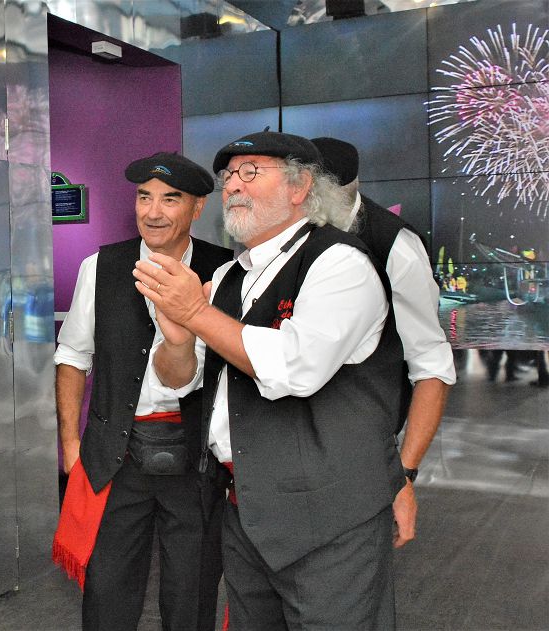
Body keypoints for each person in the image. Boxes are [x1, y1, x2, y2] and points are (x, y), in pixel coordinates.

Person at [134, 131, 406, 628]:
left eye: (251, 172)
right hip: (245, 510)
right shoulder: (229, 277)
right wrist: (177, 340)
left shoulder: (339, 263)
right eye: (228, 175)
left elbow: (295, 369)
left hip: (329, 516)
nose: (233, 186)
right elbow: (179, 382)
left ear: (300, 187)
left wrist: (195, 313)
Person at [52, 152, 232, 630]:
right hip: (118, 455)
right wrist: (70, 442)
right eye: (144, 197)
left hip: (197, 459)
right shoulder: (101, 266)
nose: (153, 212)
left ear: (197, 207)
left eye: (170, 199)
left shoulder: (226, 271)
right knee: (107, 591)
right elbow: (72, 357)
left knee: (191, 593)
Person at [311, 136, 456, 546]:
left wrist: (403, 475)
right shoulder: (290, 236)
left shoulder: (396, 246)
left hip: (362, 449)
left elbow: (430, 363)